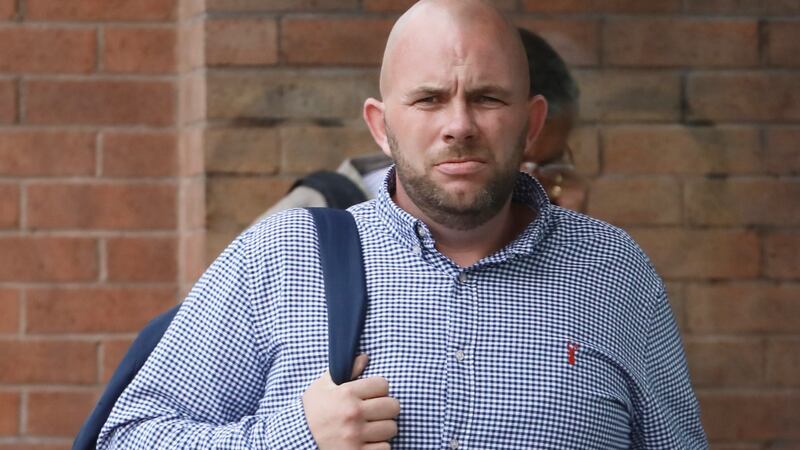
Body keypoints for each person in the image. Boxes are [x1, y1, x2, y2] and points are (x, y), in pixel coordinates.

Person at [98, 0, 708, 448]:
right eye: (429, 99)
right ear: (381, 124)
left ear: (531, 122)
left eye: (489, 98)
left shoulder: (615, 271)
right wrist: (291, 438)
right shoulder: (280, 258)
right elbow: (126, 439)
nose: (460, 124)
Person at [257, 27, 583, 222]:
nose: (539, 185)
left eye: (551, 165)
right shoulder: (311, 222)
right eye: (431, 100)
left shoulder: (587, 247)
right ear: (382, 125)